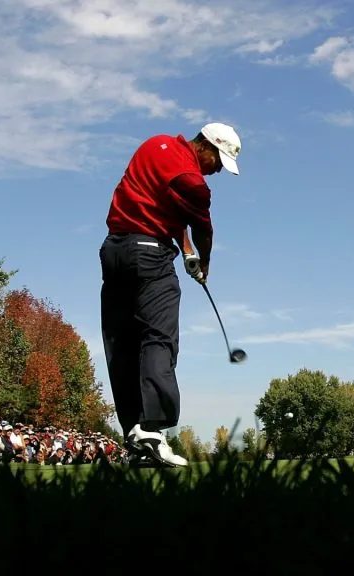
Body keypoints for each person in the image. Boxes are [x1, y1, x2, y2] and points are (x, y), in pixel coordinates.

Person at [99, 122, 241, 467]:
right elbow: (203, 227)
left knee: (122, 344)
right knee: (159, 338)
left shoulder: (155, 144)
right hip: (150, 256)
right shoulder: (194, 181)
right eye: (218, 161)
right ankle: (153, 427)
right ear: (205, 146)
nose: (217, 170)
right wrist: (204, 261)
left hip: (114, 251)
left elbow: (166, 209)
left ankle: (136, 436)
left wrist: (187, 253)